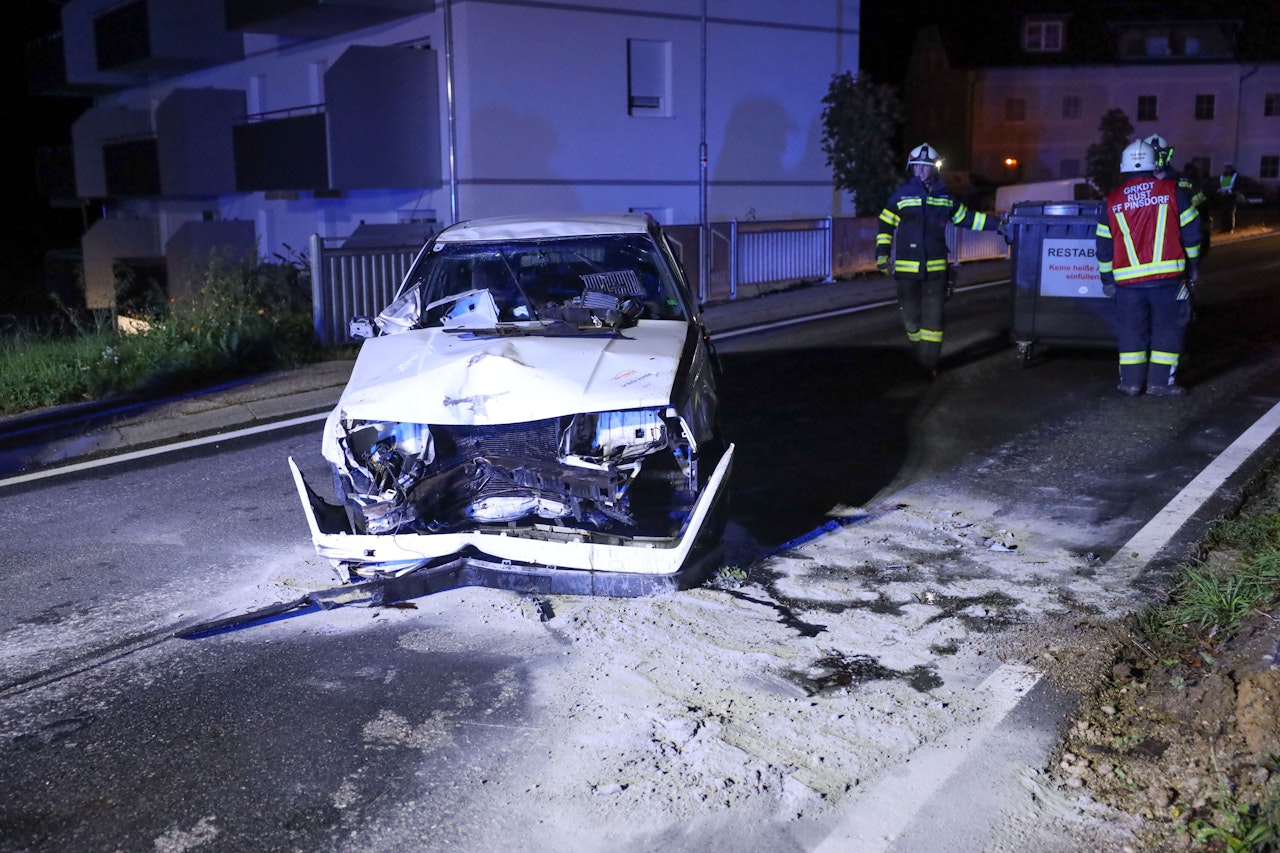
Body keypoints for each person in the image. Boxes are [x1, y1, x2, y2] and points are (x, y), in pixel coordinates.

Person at [875, 142, 1002, 377]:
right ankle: (919, 351)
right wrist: (882, 254)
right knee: (910, 320)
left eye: (925, 166)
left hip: (936, 272)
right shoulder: (901, 196)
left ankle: (928, 365)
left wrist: (998, 225)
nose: (921, 171)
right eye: (917, 166)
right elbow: (885, 225)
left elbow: (967, 218)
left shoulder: (945, 196)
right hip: (906, 272)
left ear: (933, 168)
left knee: (933, 321)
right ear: (911, 168)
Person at [1095, 139, 1202, 397]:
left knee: (1131, 332)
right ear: (1154, 164)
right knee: (1168, 330)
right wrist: (1193, 268)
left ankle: (1130, 384)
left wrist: (1107, 280)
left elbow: (1104, 248)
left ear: (1124, 167)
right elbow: (1192, 235)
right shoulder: (1174, 192)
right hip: (1169, 281)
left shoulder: (1111, 201)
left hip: (1127, 286)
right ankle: (1160, 384)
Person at [1217, 162, 1238, 233]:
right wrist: (1219, 190)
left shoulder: (1235, 176)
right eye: (1227, 168)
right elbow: (1220, 185)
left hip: (1231, 197)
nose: (1228, 169)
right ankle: (1224, 228)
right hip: (1223, 196)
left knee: (1230, 213)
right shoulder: (1222, 176)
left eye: (1229, 168)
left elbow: (1237, 186)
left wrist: (1230, 191)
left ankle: (1230, 228)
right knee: (1223, 213)